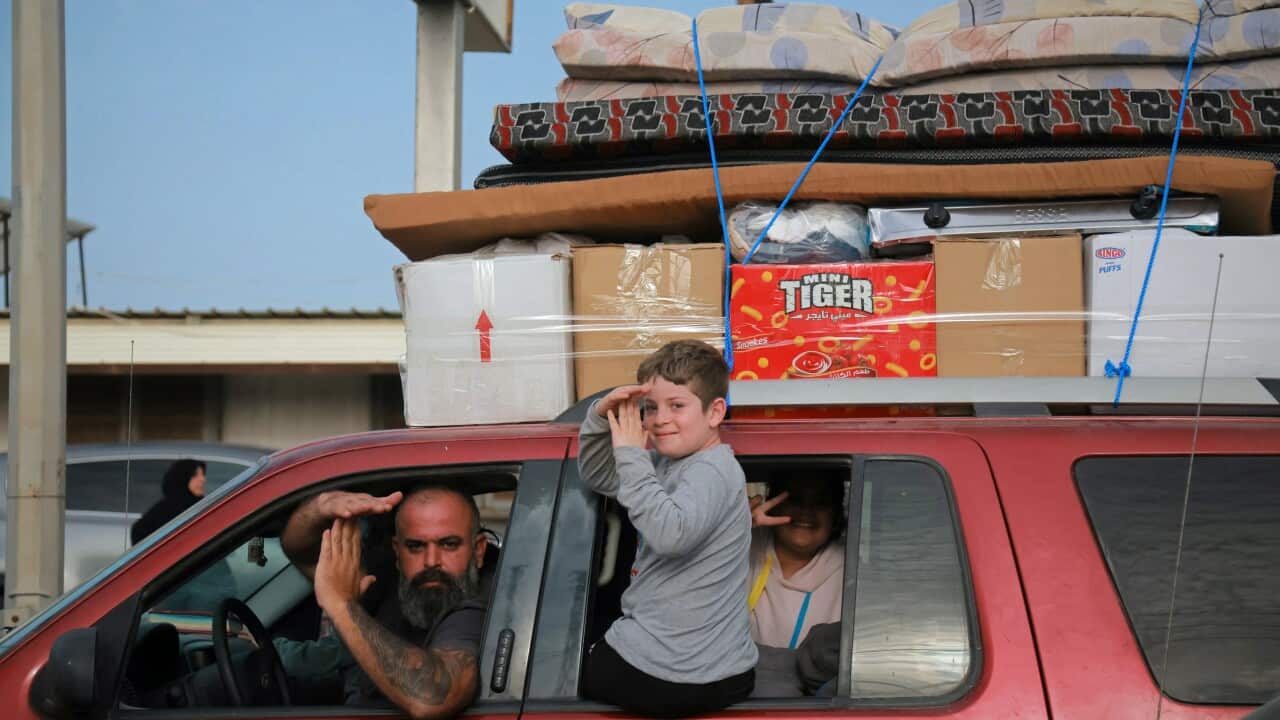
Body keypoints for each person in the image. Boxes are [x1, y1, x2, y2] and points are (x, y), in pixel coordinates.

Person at [578, 339, 757, 718]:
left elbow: (670, 534)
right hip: (714, 669)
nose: (659, 419)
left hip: (679, 674)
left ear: (715, 412)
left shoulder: (712, 469)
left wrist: (631, 454)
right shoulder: (664, 463)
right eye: (650, 408)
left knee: (563, 668)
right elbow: (598, 475)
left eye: (677, 406)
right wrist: (598, 416)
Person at [280, 484, 488, 718]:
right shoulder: (390, 585)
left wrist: (341, 605)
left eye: (449, 544)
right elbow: (298, 548)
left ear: (478, 551)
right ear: (397, 552)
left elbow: (431, 697)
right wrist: (320, 506)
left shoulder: (478, 609)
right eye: (415, 546)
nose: (431, 561)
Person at [747, 472, 846, 649]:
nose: (805, 511)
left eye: (820, 502)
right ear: (774, 506)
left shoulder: (852, 574)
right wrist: (728, 530)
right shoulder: (741, 547)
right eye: (795, 499)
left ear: (836, 516)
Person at [131, 459, 207, 544]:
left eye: (203, 474)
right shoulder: (167, 510)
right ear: (182, 478)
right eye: (195, 475)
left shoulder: (200, 505)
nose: (203, 479)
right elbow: (139, 531)